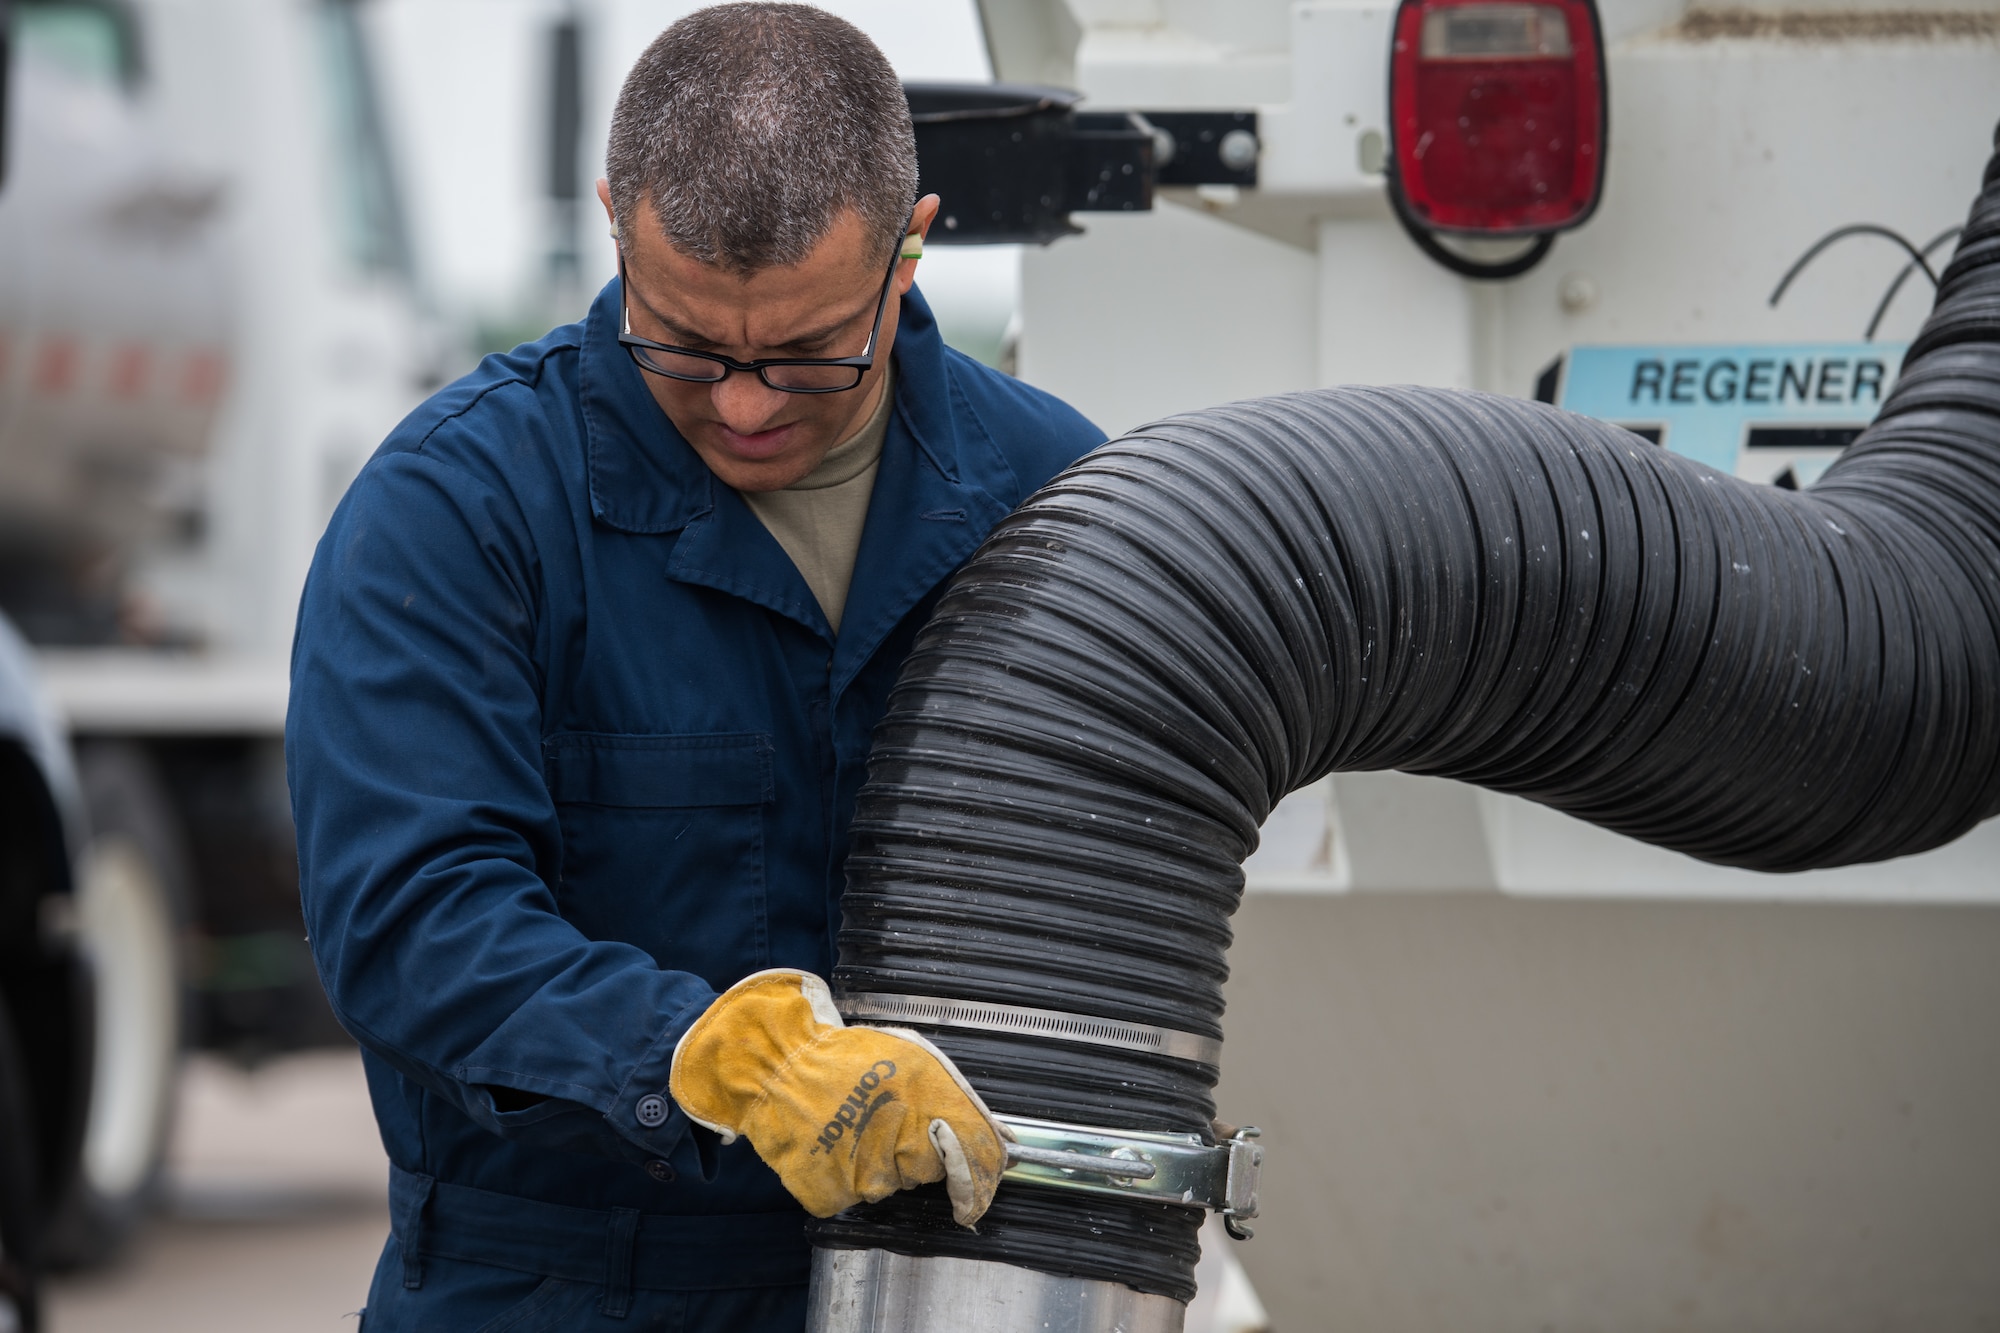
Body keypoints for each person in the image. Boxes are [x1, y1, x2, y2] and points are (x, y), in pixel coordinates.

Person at [285, 6, 1105, 1329]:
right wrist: (704, 1054)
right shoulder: (460, 512)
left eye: (804, 352)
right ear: (615, 221)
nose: (742, 403)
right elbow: (414, 915)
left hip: (953, 1281)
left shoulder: (1055, 498)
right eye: (685, 345)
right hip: (556, 1283)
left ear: (911, 249)